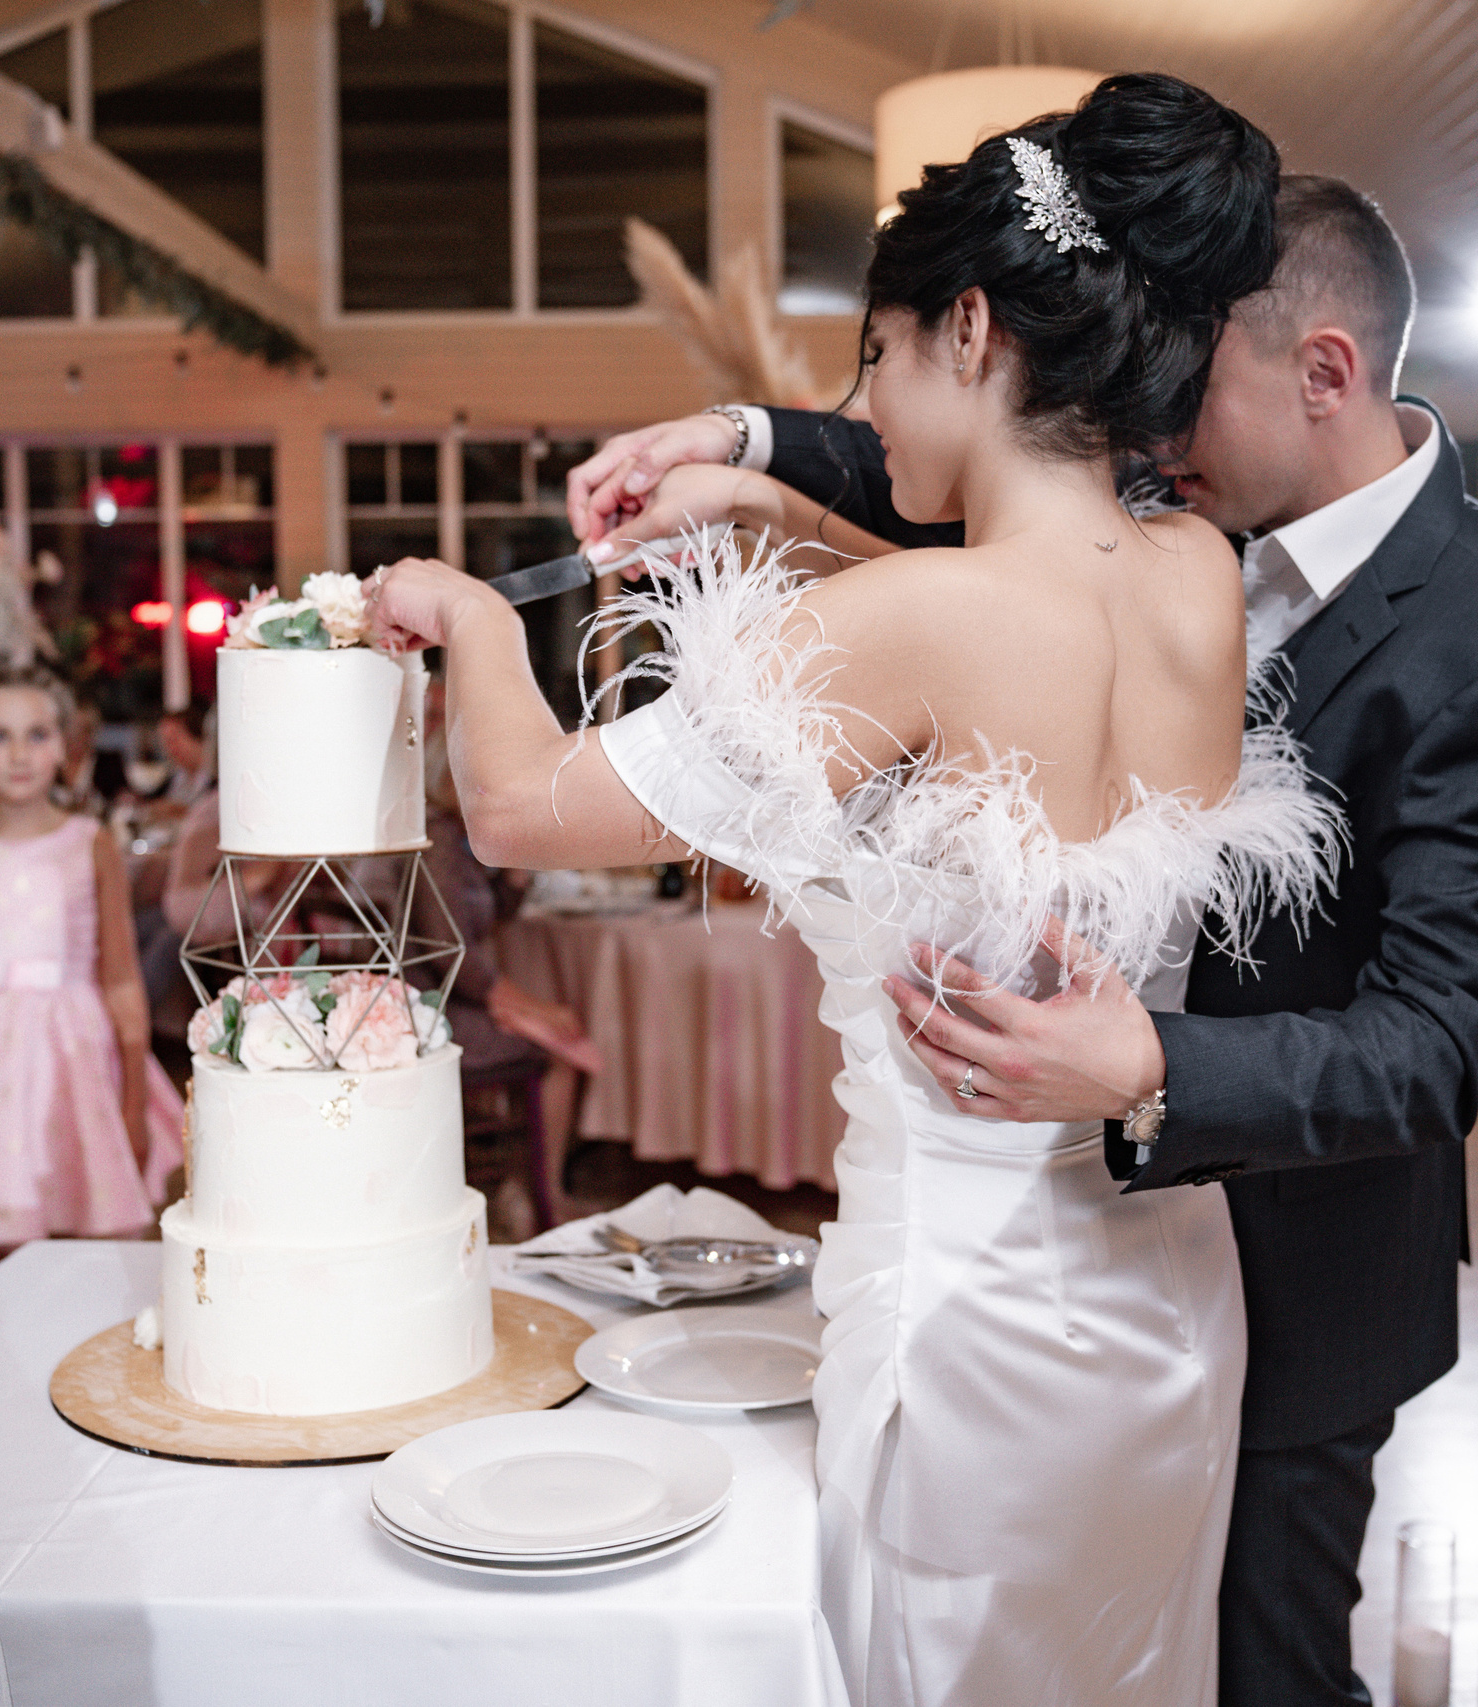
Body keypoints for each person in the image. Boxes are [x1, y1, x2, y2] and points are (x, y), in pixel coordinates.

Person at [373, 75, 1341, 1707]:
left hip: (975, 1317)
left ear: (973, 327)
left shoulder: (903, 628)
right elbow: (1008, 611)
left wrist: (466, 613)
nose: (864, 404)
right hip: (1170, 1298)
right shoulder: (1192, 574)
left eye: (874, 354)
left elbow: (528, 807)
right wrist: (763, 491)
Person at [574, 175, 1478, 1706]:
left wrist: (1151, 1059)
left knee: (1262, 1670)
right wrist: (747, 445)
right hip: (1088, 1273)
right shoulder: (1174, 508)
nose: (1141, 417)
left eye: (1181, 381)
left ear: (1322, 373)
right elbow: (978, 465)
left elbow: (1440, 1041)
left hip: (1303, 1278)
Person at [0, 664, 185, 1292]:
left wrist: (134, 1092)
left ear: (64, 745)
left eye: (37, 734)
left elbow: (121, 979)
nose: (20, 754)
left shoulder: (90, 842)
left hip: (70, 1053)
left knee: (79, 1234)